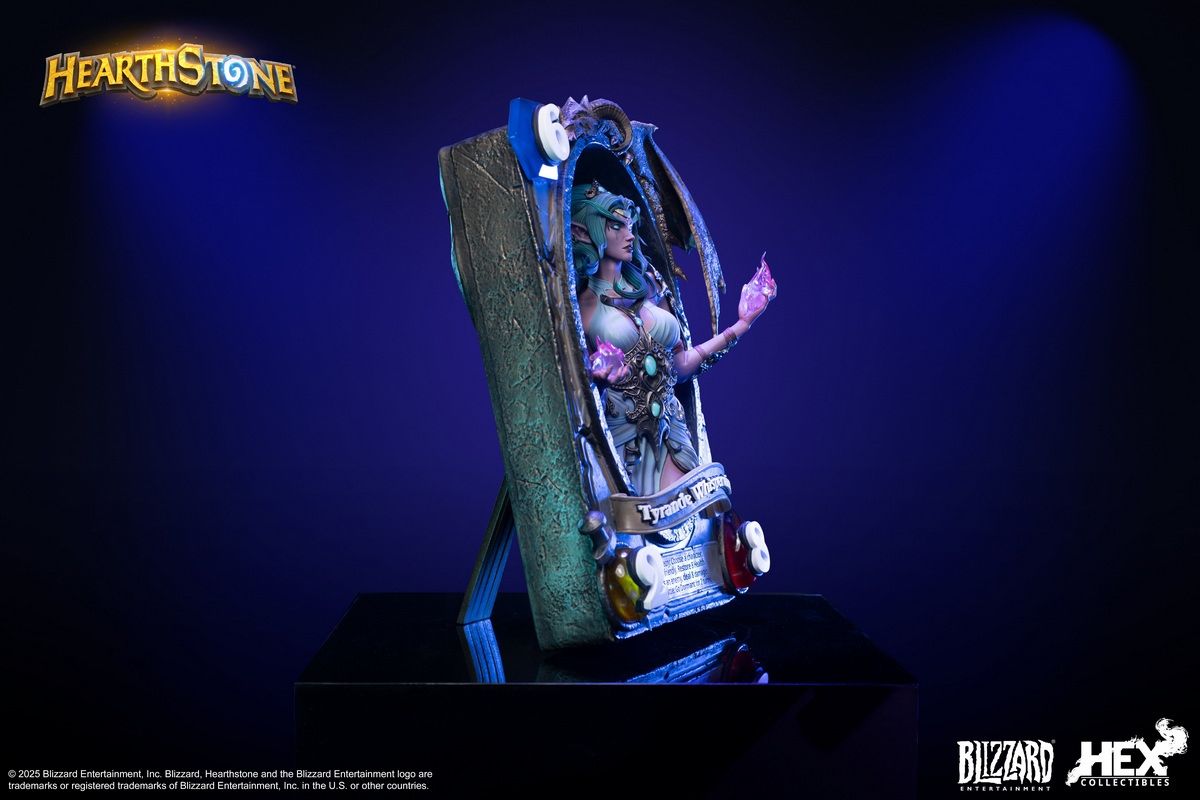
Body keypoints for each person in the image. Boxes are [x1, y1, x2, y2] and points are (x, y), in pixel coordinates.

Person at [571, 180, 776, 496]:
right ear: (584, 232)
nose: (629, 235)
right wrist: (594, 375)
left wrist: (741, 325)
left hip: (675, 436)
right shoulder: (580, 305)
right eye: (616, 225)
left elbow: (679, 367)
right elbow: (572, 389)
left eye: (630, 225)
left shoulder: (650, 286)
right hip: (626, 445)